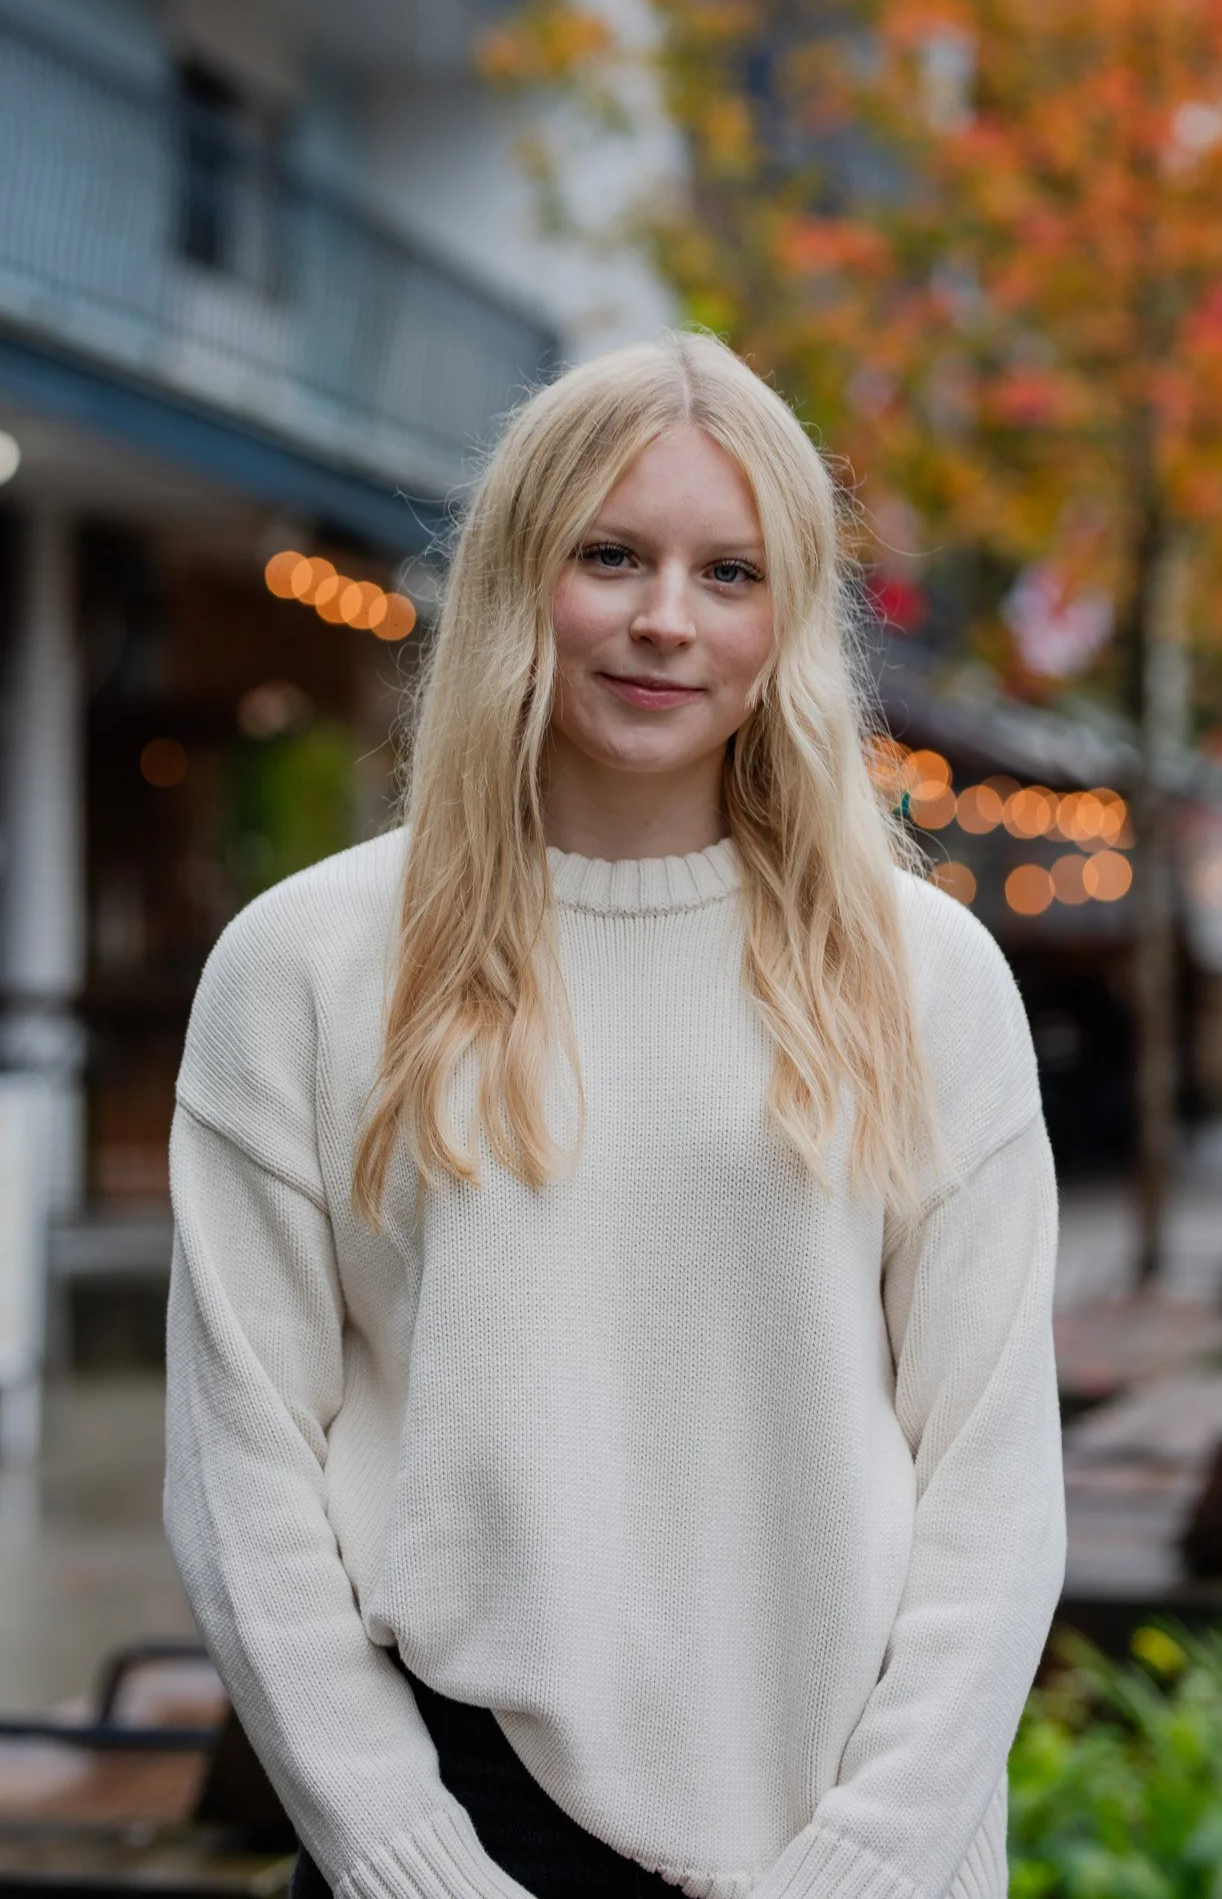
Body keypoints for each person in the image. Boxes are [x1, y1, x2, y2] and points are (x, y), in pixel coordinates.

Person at [165, 333, 1065, 1899]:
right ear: (524, 577)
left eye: (731, 571)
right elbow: (245, 1472)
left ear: (790, 620)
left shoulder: (926, 980)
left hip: (854, 1822)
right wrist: (405, 1857)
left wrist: (871, 1857)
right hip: (464, 1816)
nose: (666, 618)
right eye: (613, 554)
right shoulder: (307, 967)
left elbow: (991, 1478)